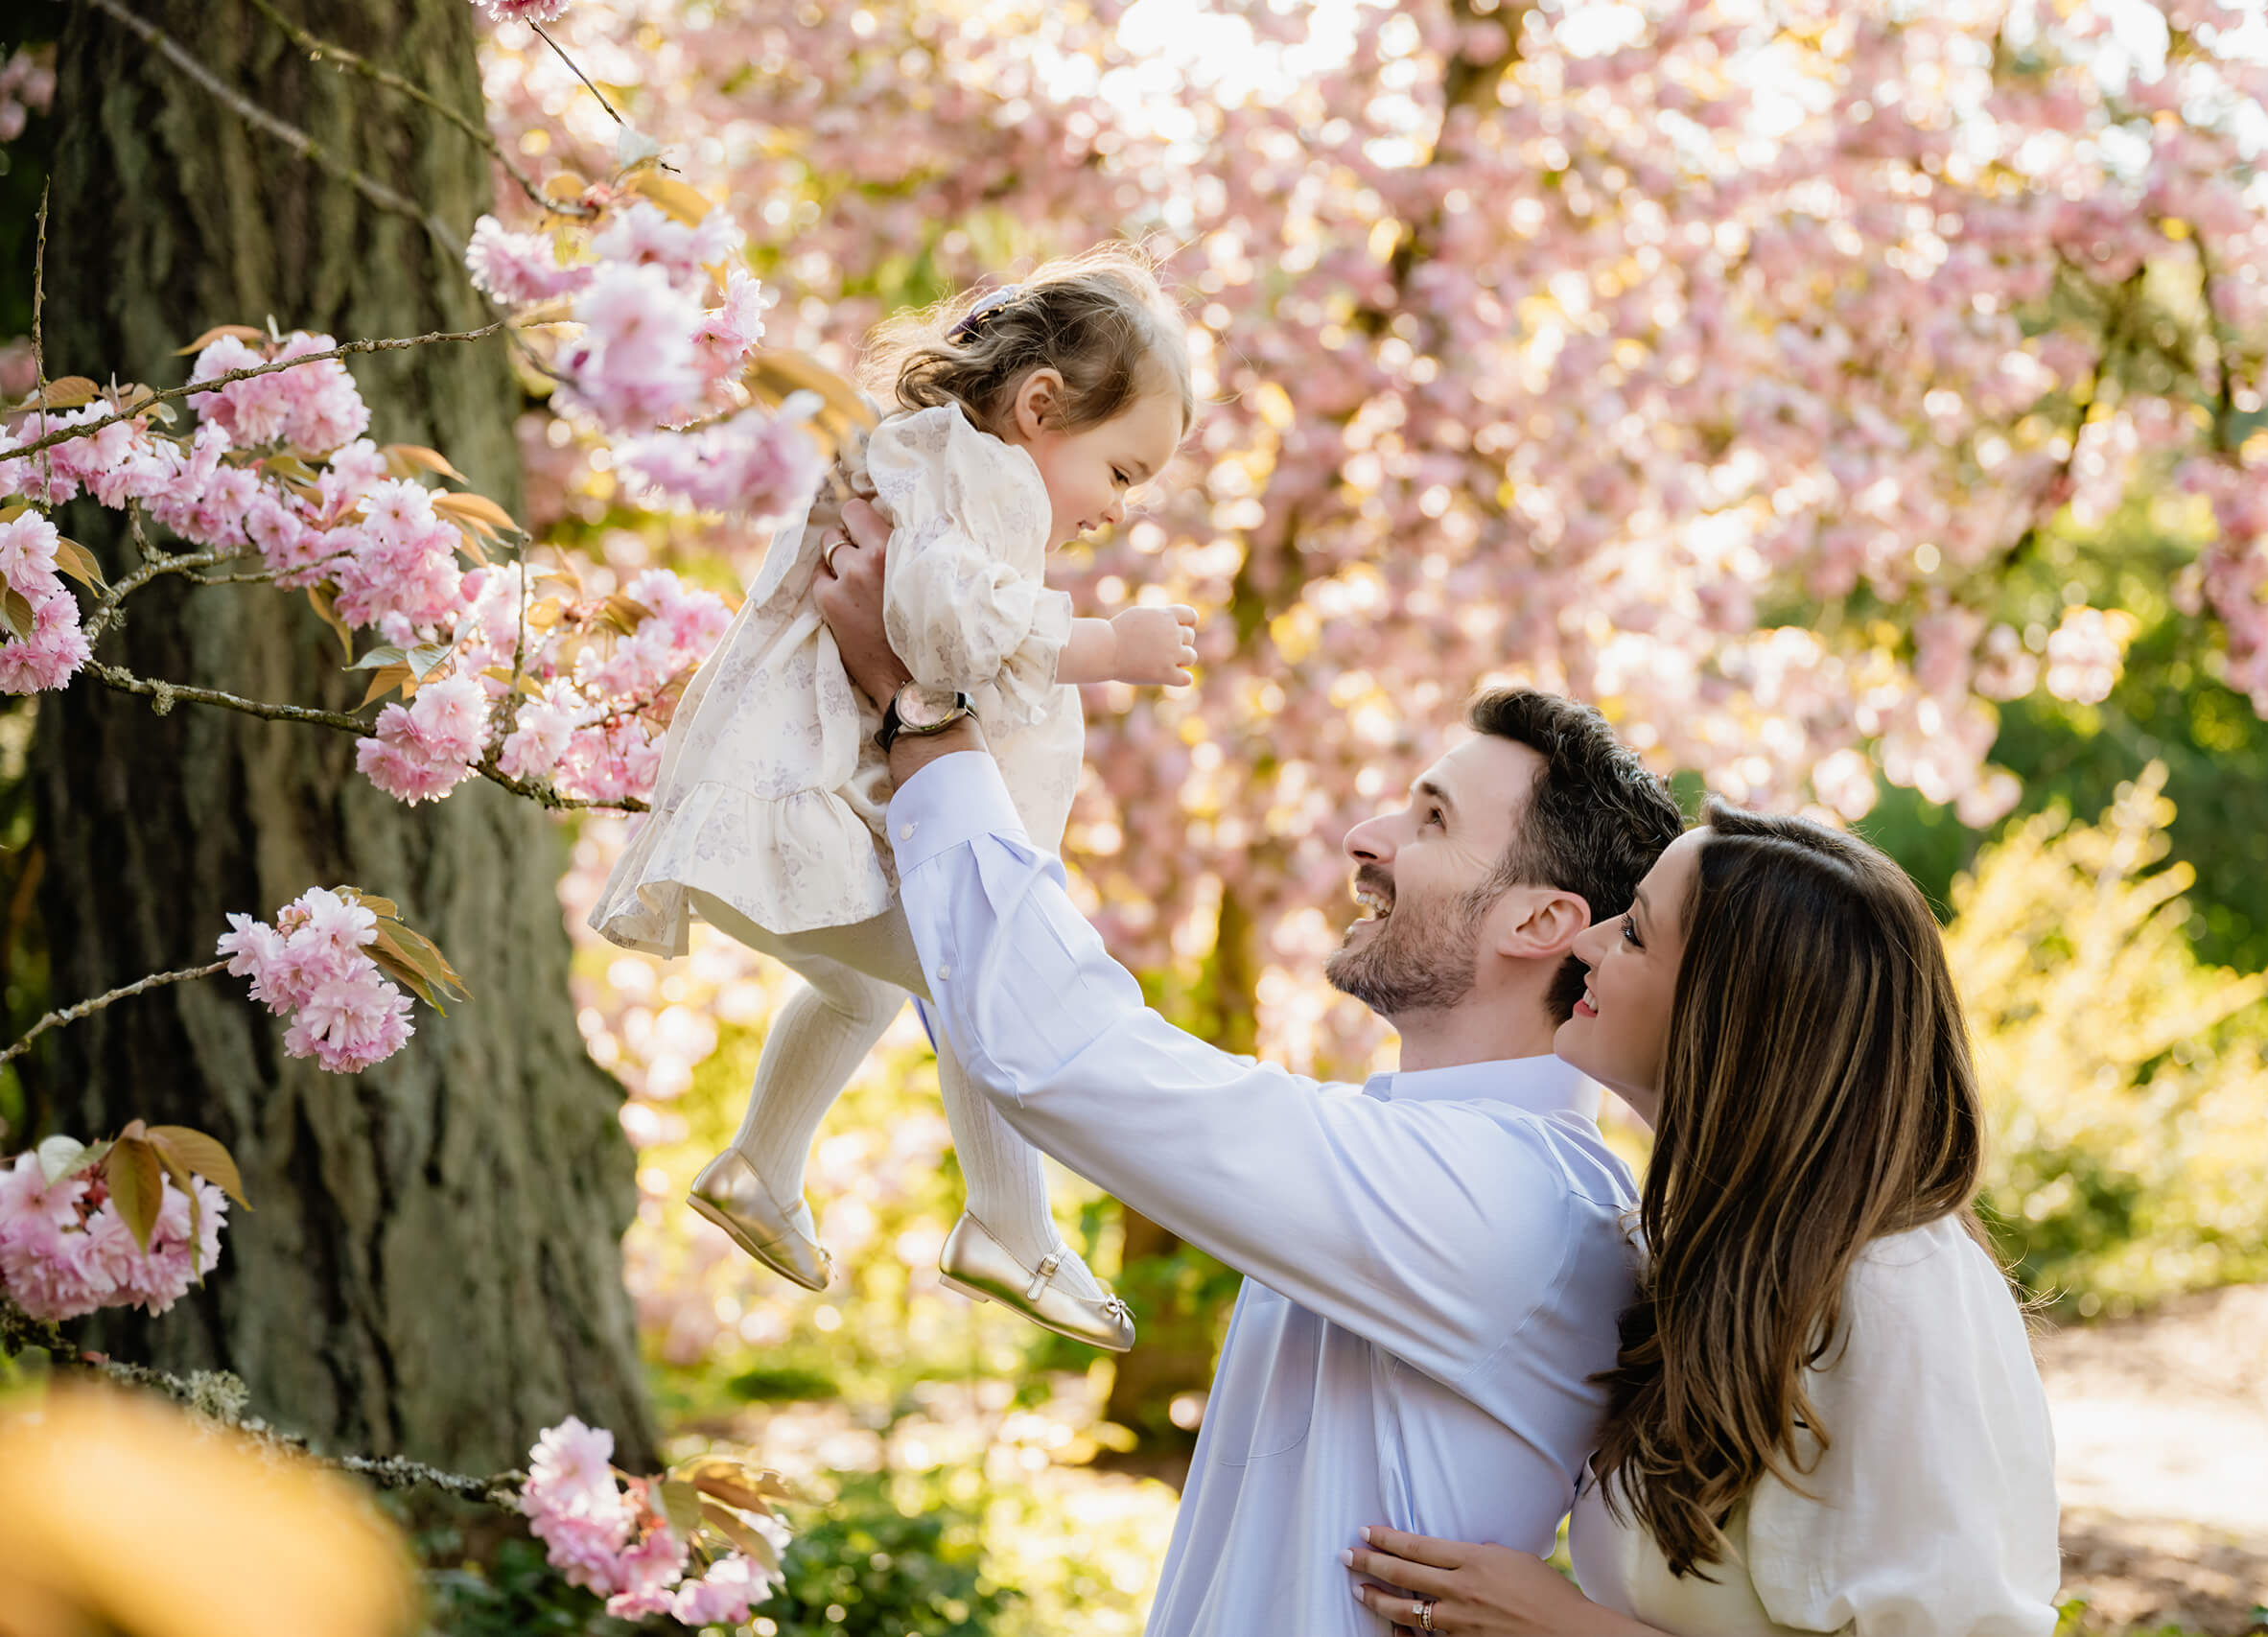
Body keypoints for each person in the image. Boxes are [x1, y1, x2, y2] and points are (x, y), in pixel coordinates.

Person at [809, 491, 1687, 1636]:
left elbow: (1066, 1056)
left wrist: (926, 706)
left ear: (1537, 925)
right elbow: (1021, 1031)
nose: (1363, 837)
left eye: (1427, 821)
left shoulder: (1505, 1198)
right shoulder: (1448, 1161)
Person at [589, 246, 1201, 1351]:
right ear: (1041, 406)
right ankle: (1009, 1229)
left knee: (864, 993)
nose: (1119, 509)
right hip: (793, 807)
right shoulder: (980, 475)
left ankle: (759, 1170)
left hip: (763, 810)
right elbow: (935, 617)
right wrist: (1104, 642)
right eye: (1121, 471)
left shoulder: (929, 465)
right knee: (978, 970)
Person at [1341, 805, 2061, 1637]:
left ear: (1736, 1013)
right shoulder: (1715, 1261)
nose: (1587, 942)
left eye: (1637, 932)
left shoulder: (1894, 1286)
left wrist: (1561, 1626)